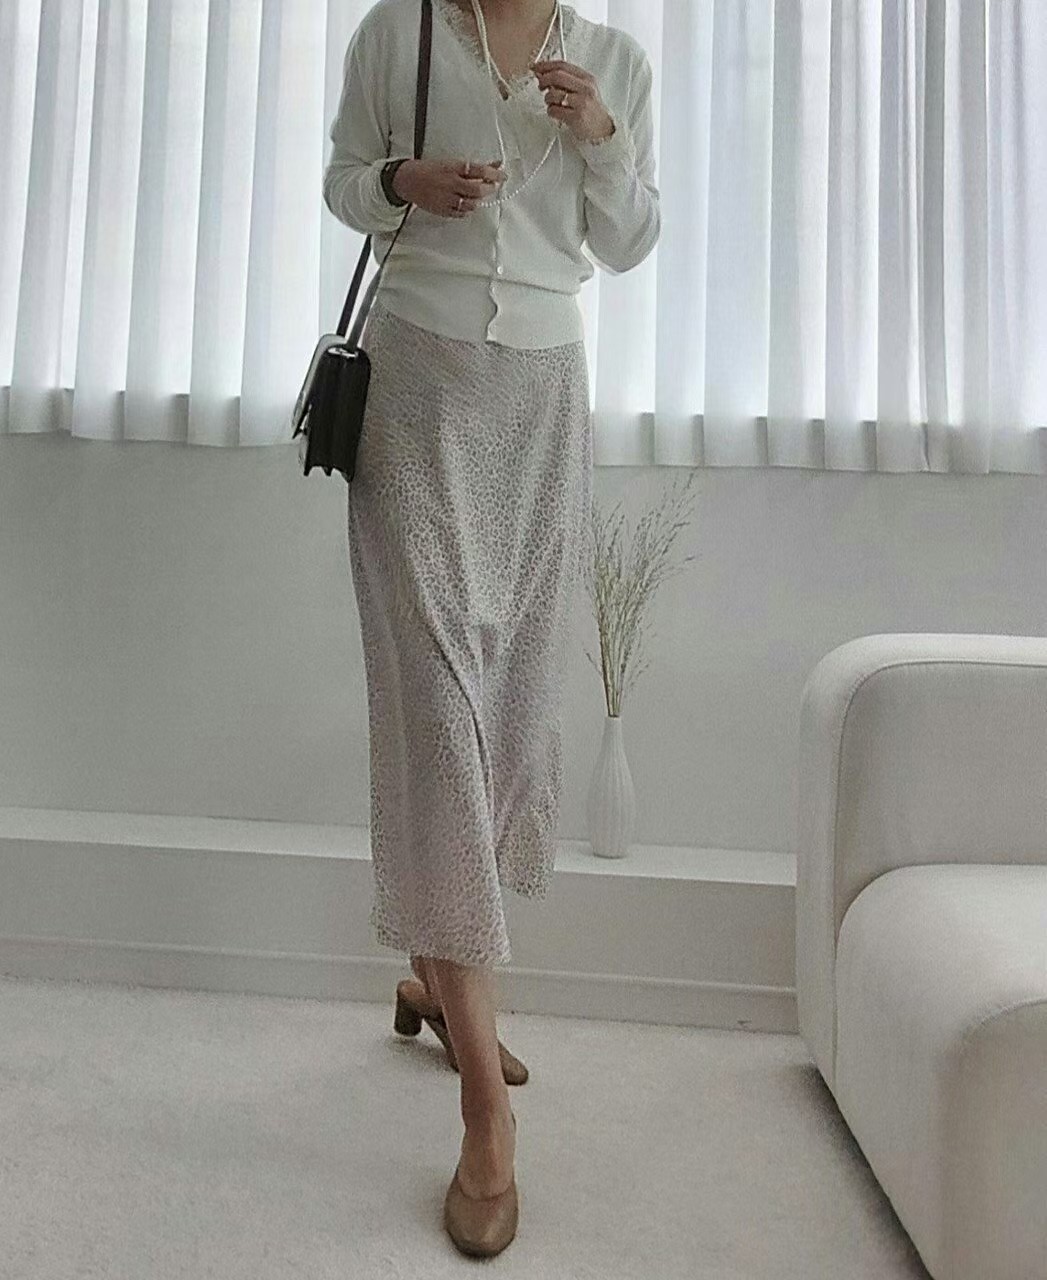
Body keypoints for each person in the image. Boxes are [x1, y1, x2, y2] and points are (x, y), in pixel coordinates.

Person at [322, 0, 659, 1257]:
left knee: (508, 701)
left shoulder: (613, 59)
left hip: (540, 395)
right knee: (434, 705)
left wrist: (603, 137)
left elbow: (629, 242)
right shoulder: (398, 30)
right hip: (414, 382)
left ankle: (437, 973)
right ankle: (482, 1108)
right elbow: (342, 183)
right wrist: (399, 183)